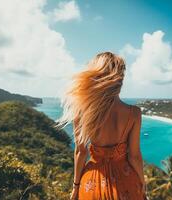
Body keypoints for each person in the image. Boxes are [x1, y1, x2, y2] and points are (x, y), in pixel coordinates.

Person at [55, 52, 147, 200]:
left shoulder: (82, 112)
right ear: (120, 79)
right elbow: (134, 156)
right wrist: (142, 184)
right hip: (126, 183)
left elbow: (81, 152)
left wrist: (75, 187)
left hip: (92, 184)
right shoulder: (134, 113)